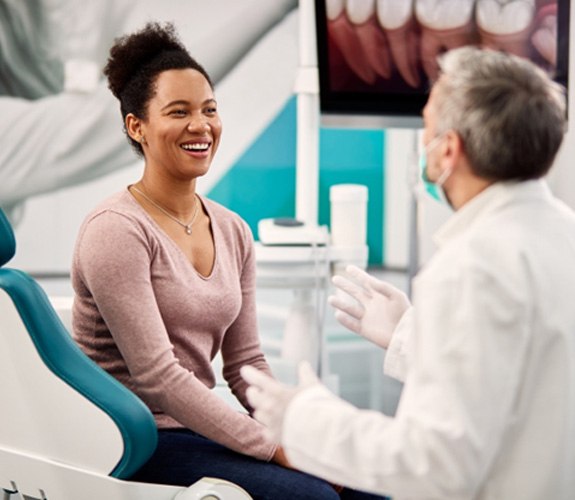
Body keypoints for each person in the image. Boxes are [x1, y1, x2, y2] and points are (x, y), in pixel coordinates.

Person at [242, 46, 575, 499]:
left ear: (448, 150)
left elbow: (432, 463)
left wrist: (305, 418)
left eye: (427, 125)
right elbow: (521, 377)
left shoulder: (470, 266)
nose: (422, 142)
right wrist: (408, 333)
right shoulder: (562, 236)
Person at [71, 21, 385, 500]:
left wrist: (295, 428)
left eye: (209, 110)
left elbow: (246, 363)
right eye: (179, 112)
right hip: (132, 440)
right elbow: (158, 377)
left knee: (370, 486)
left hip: (199, 429)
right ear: (137, 126)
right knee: (313, 497)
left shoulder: (233, 229)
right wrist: (274, 447)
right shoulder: (116, 230)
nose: (201, 126)